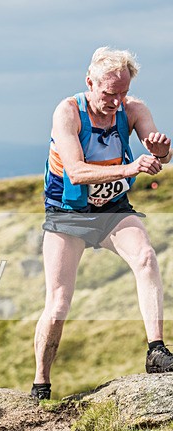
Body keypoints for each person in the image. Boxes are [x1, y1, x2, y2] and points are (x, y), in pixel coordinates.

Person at [33, 47, 173, 400]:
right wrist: (130, 168)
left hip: (113, 209)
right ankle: (41, 383)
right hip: (68, 214)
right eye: (109, 94)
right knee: (59, 303)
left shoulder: (134, 110)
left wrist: (159, 151)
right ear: (90, 83)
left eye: (123, 93)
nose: (116, 101)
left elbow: (160, 154)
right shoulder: (68, 113)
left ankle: (156, 350)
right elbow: (77, 172)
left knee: (145, 258)